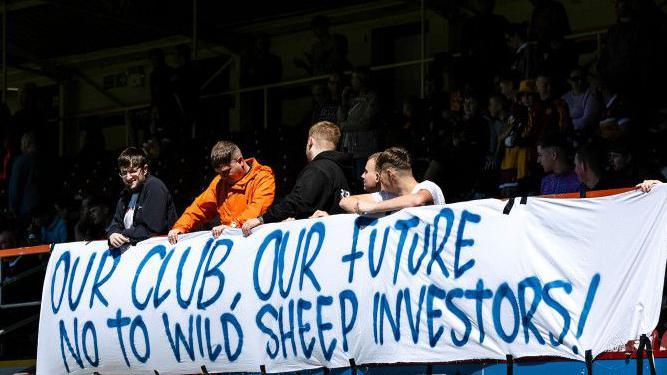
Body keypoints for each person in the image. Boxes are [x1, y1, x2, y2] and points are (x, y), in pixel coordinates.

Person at [242, 121, 350, 235]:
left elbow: (298, 201)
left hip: (318, 238)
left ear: (310, 142)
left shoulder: (317, 169)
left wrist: (262, 219)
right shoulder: (341, 171)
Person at [168, 141, 275, 244]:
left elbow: (257, 207)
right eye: (219, 173)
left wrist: (231, 227)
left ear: (240, 161)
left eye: (226, 171)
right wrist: (179, 227)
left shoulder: (263, 177)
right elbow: (199, 208)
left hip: (254, 241)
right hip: (228, 241)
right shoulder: (219, 182)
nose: (222, 177)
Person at [107, 147, 177, 248]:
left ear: (145, 169)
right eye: (124, 173)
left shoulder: (154, 186)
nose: (128, 177)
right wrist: (112, 235)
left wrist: (123, 235)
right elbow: (115, 223)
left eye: (133, 171)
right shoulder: (125, 193)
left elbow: (152, 229)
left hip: (160, 252)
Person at [344, 147, 445, 216]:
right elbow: (345, 201)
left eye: (380, 176)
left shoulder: (429, 187)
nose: (380, 181)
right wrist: (362, 208)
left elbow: (417, 200)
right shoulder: (390, 196)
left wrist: (373, 208)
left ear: (390, 174)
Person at [561, 67, 601, 135]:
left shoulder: (591, 94)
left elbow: (586, 121)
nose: (580, 82)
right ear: (569, 81)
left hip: (586, 134)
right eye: (575, 79)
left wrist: (567, 123)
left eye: (582, 78)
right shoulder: (564, 98)